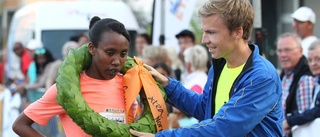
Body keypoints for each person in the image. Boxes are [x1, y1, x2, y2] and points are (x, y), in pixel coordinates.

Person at [130, 0, 283, 136]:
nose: (204, 40)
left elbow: (224, 127)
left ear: (238, 31)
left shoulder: (261, 77)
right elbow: (205, 109)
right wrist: (168, 86)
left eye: (211, 32)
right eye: (204, 31)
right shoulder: (220, 64)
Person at [12, 16, 136, 137]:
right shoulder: (68, 89)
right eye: (110, 53)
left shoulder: (127, 85)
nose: (117, 61)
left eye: (123, 54)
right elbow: (20, 125)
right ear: (92, 49)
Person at [276, 33, 314, 131]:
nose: (283, 55)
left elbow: (305, 117)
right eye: (280, 51)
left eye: (287, 50)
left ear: (300, 51)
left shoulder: (305, 77)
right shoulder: (284, 74)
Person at [282, 40, 320, 136]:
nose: (313, 64)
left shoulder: (306, 78)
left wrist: (291, 120)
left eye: (318, 59)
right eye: (310, 60)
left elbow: (316, 111)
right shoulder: (316, 81)